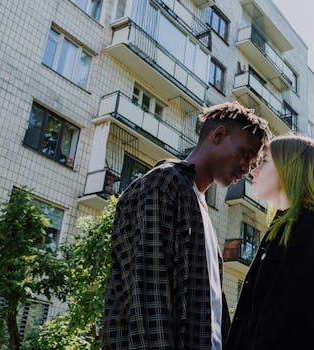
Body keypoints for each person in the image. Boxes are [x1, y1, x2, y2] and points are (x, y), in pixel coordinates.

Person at [102, 101, 271, 350]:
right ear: (219, 135)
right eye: (245, 154)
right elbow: (148, 295)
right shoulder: (163, 183)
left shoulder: (198, 204)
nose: (246, 168)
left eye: (252, 162)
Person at [225, 134, 314, 350]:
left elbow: (293, 327)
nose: (253, 171)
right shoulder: (288, 229)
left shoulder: (311, 230)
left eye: (264, 162)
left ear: (289, 168)